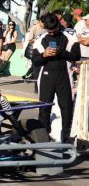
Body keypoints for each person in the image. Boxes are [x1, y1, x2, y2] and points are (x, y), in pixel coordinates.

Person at [32, 13, 80, 142]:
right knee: (44, 108)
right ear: (45, 28)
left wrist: (61, 52)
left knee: (66, 108)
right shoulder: (40, 39)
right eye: (49, 31)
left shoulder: (70, 36)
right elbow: (35, 61)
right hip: (47, 76)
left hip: (64, 75)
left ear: (59, 24)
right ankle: (43, 139)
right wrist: (44, 55)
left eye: (55, 30)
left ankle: (66, 140)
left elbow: (76, 56)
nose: (52, 34)